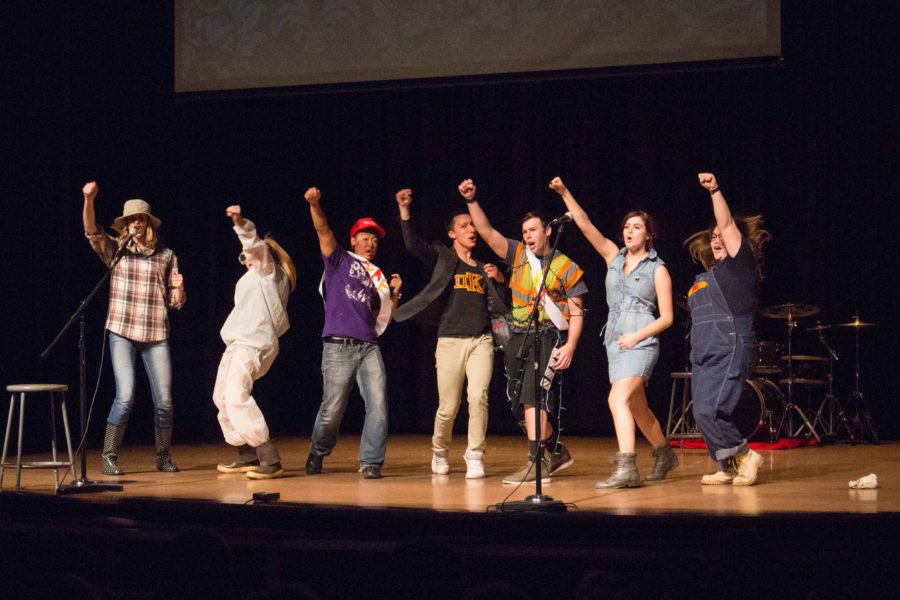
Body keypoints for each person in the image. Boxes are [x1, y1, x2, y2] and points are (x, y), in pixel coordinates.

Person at [549, 177, 676, 488]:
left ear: (649, 234)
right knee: (637, 406)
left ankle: (627, 468)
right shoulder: (612, 257)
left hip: (642, 339)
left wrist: (637, 337)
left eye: (636, 227)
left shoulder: (657, 269)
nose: (629, 231)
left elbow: (668, 317)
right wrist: (565, 192)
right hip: (615, 340)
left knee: (616, 399)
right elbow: (585, 224)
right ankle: (664, 453)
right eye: (626, 227)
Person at [459, 178, 587, 485]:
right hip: (519, 337)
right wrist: (471, 201)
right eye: (525, 231)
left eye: (533, 230)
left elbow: (577, 310)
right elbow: (488, 233)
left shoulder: (566, 266)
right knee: (518, 401)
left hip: (548, 336)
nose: (528, 236)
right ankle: (555, 451)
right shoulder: (517, 254)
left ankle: (535, 464)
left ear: (548, 231)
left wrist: (570, 345)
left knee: (533, 397)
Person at [392, 188, 509, 478]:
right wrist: (405, 211)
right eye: (464, 226)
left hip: (480, 340)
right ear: (452, 234)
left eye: (472, 225)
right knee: (448, 407)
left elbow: (502, 306)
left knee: (479, 396)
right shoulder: (443, 257)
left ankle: (475, 454)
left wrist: (501, 279)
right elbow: (412, 244)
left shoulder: (485, 268)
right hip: (449, 341)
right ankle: (440, 450)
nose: (471, 230)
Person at [81, 181, 185, 475]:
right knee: (125, 396)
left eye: (140, 218)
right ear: (125, 225)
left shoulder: (167, 255)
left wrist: (179, 290)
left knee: (164, 401)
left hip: (155, 334)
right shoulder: (116, 249)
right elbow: (91, 231)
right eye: (130, 220)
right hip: (122, 332)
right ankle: (109, 456)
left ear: (149, 223)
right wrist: (89, 200)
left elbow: (175, 302)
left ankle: (163, 456)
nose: (136, 223)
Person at [303, 187, 402, 480]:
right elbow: (322, 229)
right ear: (353, 239)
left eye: (374, 239)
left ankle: (371, 461)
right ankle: (317, 451)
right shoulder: (338, 260)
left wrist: (394, 295)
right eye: (365, 237)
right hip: (338, 346)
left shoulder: (377, 276)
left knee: (379, 405)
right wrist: (316, 204)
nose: (370, 243)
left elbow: (381, 318)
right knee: (332, 409)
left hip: (369, 346)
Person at [685, 172, 770, 485]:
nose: (716, 239)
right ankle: (726, 466)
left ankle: (746, 455)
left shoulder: (740, 264)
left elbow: (728, 225)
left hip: (731, 345)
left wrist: (715, 190)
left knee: (713, 409)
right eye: (712, 237)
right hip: (705, 351)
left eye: (720, 235)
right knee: (701, 413)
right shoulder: (709, 275)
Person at [213, 206, 297, 479]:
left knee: (237, 397)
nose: (245, 260)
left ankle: (269, 458)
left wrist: (240, 224)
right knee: (221, 397)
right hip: (237, 342)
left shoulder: (269, 274)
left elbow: (255, 246)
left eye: (248, 256)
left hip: (252, 343)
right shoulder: (252, 277)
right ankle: (247, 455)